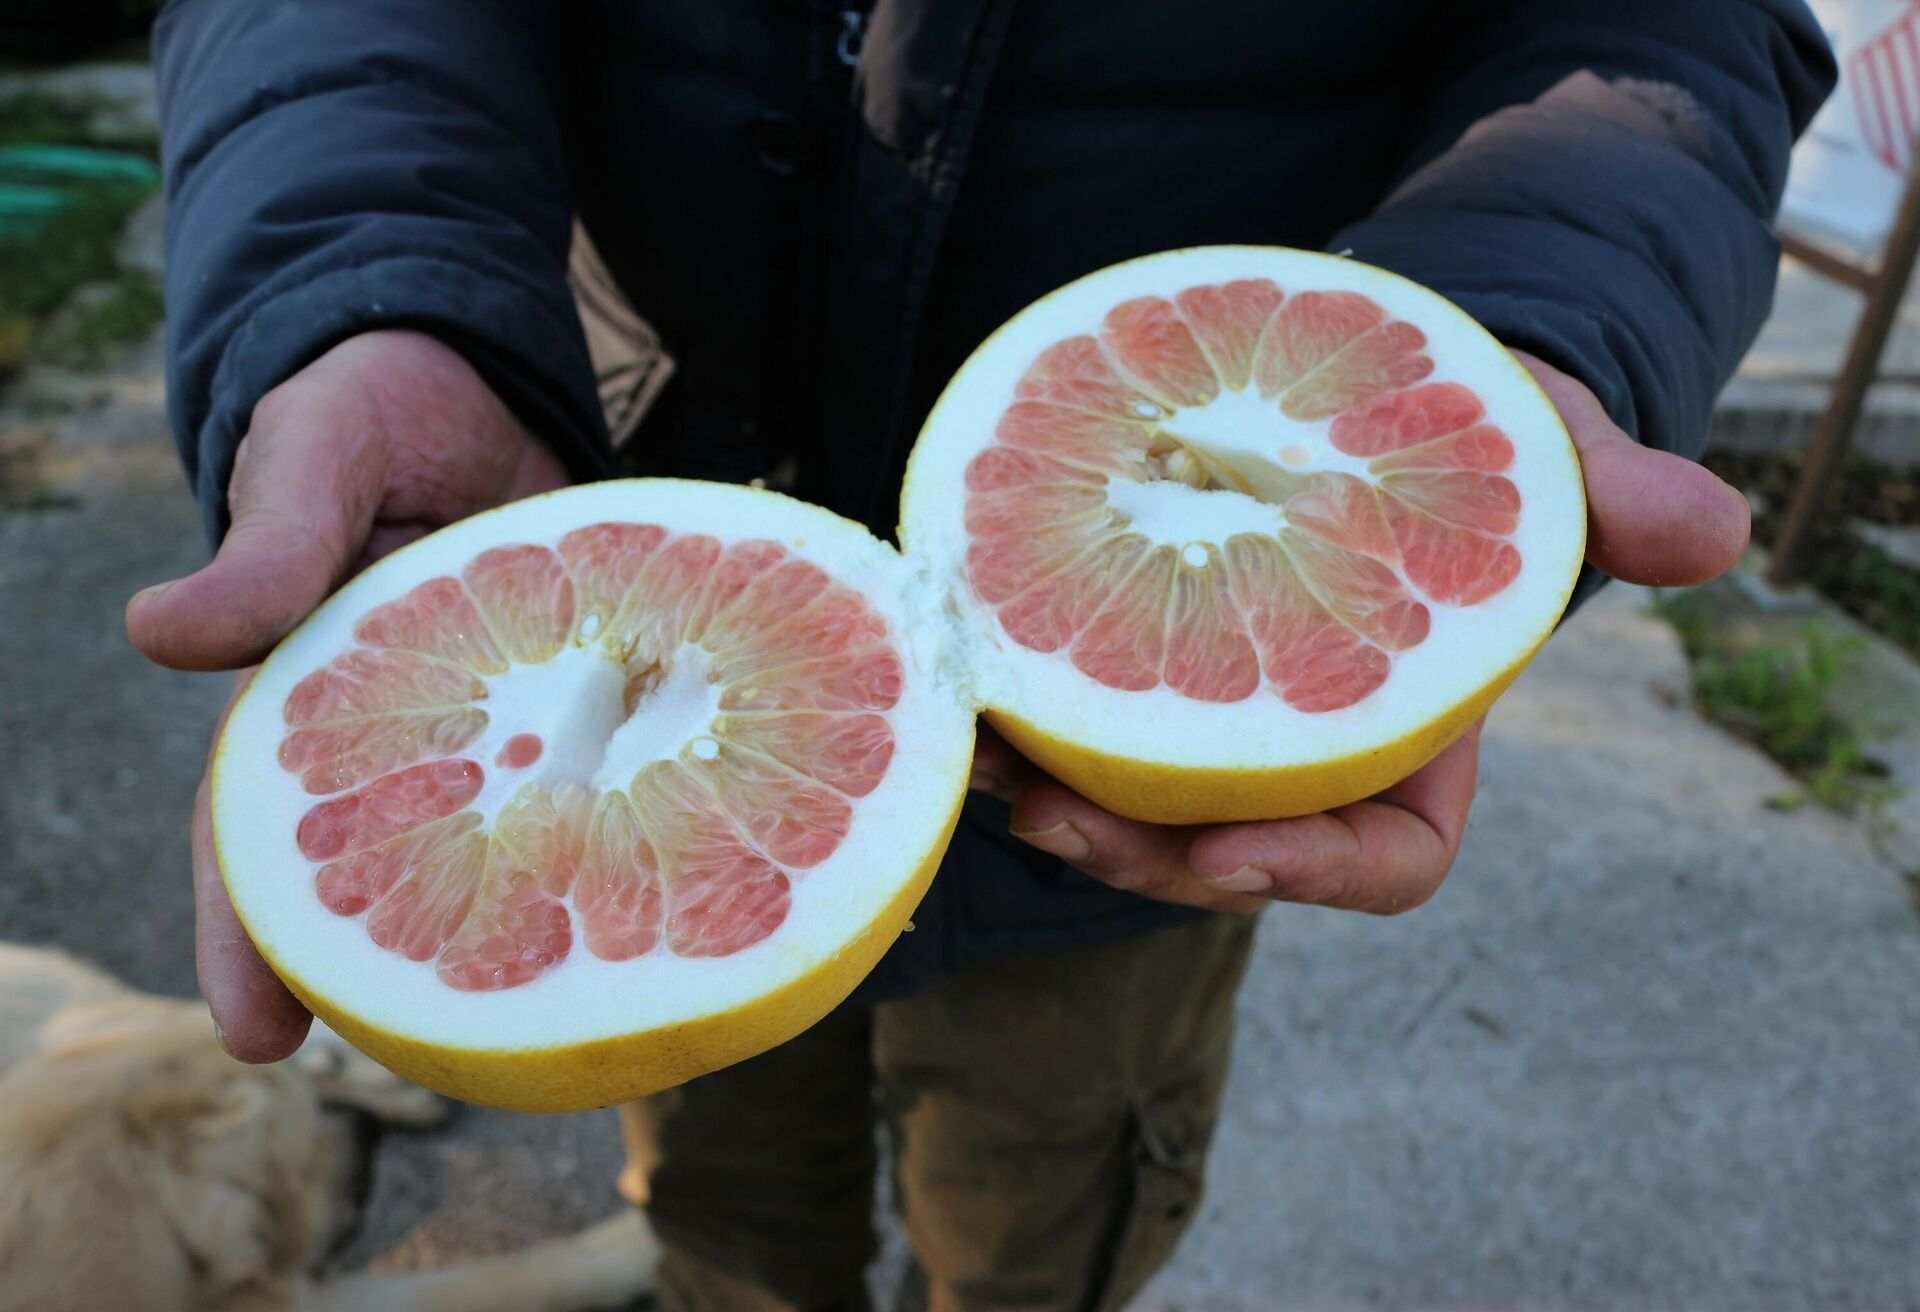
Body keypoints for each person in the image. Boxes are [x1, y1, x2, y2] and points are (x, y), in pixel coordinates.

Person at [126, 4, 1835, 1309]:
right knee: (723, 1208)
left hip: (1118, 798)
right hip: (630, 517)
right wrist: (367, 292)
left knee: (1044, 1225)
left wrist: (1512, 329)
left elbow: (1652, 31)